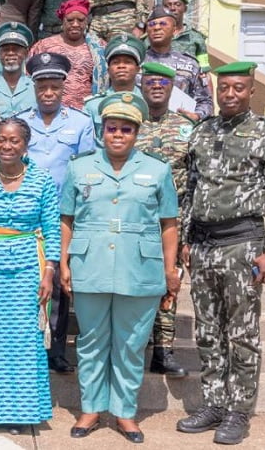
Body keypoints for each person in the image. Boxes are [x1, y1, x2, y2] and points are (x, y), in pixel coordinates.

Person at [177, 62, 265, 445]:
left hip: (244, 244)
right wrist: (184, 238)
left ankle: (238, 411)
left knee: (242, 335)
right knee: (208, 332)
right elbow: (191, 190)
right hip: (205, 245)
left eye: (238, 88)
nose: (229, 94)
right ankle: (213, 404)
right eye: (224, 87)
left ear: (251, 91)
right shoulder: (202, 132)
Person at [60, 92, 179, 443]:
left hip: (139, 268)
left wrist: (170, 270)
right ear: (102, 130)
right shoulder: (79, 167)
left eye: (126, 129)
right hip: (90, 264)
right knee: (91, 341)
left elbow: (169, 224)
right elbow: (66, 218)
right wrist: (64, 261)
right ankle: (92, 408)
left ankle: (125, 412)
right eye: (112, 128)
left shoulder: (157, 169)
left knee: (130, 343)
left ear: (136, 133)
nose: (118, 134)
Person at [0, 117, 59, 430]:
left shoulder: (42, 181)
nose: (7, 145)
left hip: (30, 269)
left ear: (25, 144)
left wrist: (49, 272)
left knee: (26, 341)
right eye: (2, 139)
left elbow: (52, 229)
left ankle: (24, 414)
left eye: (14, 140)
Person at [16, 52, 95, 374]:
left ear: (63, 87)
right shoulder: (22, 122)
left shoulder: (81, 123)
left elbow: (87, 171)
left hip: (64, 217)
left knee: (61, 285)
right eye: (42, 87)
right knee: (26, 283)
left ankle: (57, 350)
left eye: (53, 87)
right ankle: (27, 345)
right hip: (27, 215)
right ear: (34, 88)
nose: (48, 93)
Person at [136, 62, 194, 379]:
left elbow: (197, 178)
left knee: (170, 282)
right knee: (139, 282)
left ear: (172, 88)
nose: (156, 87)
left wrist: (191, 234)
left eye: (163, 82)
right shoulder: (130, 124)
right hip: (139, 217)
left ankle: (163, 351)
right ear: (141, 86)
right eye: (150, 82)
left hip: (177, 217)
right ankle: (136, 346)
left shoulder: (188, 128)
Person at [28, 0, 107, 110]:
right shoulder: (45, 46)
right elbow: (28, 77)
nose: (75, 24)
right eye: (70, 20)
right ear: (62, 21)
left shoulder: (99, 47)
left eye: (80, 20)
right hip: (51, 109)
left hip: (87, 111)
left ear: (87, 21)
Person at [144, 6, 212, 120]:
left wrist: (196, 116)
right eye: (151, 24)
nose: (156, 28)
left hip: (177, 129)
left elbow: (205, 101)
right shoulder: (137, 62)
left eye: (163, 24)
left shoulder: (190, 64)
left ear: (174, 30)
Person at [82, 33, 145, 140]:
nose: (121, 66)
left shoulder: (148, 103)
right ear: (108, 70)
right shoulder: (92, 105)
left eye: (128, 62)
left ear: (138, 69)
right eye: (116, 62)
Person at [0, 22, 37, 119]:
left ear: (26, 53)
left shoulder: (36, 88)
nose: (10, 53)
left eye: (16, 49)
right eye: (5, 49)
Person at [163, 0, 210, 75]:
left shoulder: (196, 38)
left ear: (185, 8)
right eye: (168, 5)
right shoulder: (153, 37)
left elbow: (204, 72)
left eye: (177, 4)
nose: (172, 8)